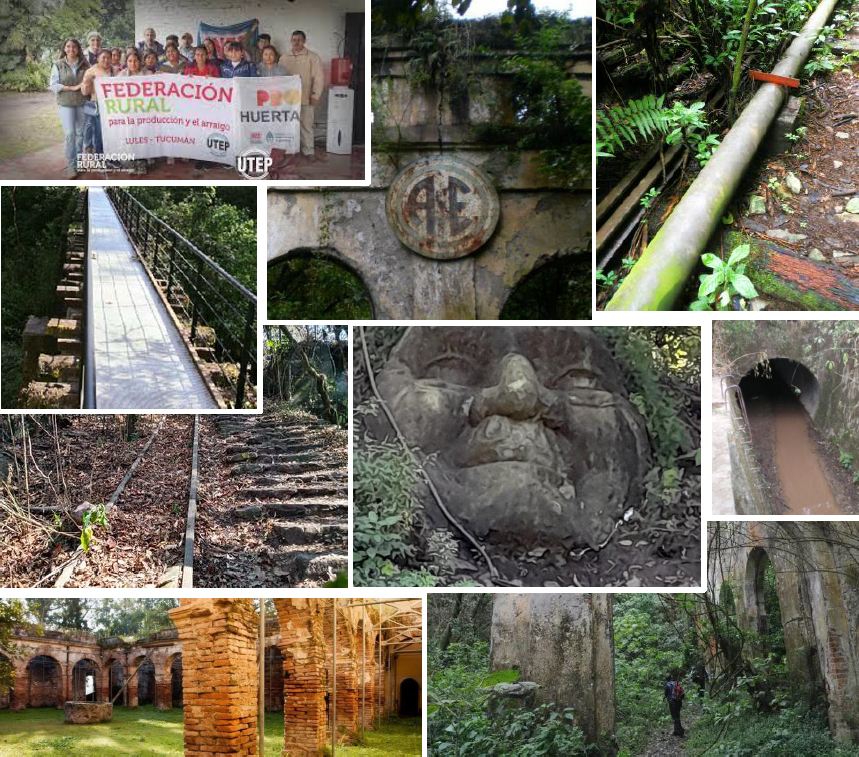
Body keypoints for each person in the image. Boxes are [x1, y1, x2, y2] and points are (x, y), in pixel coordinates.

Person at [49, 37, 89, 178]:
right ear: (64, 48)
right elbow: (53, 85)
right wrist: (71, 88)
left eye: (74, 47)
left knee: (80, 136)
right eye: (68, 46)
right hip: (66, 104)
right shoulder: (58, 64)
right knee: (70, 134)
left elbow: (90, 81)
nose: (71, 49)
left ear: (78, 49)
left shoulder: (85, 65)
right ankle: (71, 166)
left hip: (81, 104)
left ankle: (78, 164)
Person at [279, 30, 323, 157]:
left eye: (299, 40)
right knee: (286, 125)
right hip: (287, 99)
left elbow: (319, 78)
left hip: (306, 97)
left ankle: (309, 151)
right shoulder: (284, 57)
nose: (296, 42)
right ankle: (286, 150)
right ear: (291, 41)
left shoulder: (313, 57)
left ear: (304, 41)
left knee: (306, 125)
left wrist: (315, 95)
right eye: (294, 40)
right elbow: (279, 78)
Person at [80, 49, 113, 158]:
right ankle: (101, 157)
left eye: (108, 57)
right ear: (98, 58)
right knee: (99, 133)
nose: (106, 60)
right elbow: (84, 92)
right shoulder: (91, 71)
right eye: (103, 57)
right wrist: (87, 82)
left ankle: (110, 156)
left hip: (113, 106)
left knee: (111, 133)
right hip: (98, 105)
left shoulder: (115, 70)